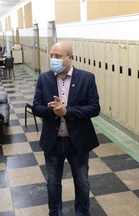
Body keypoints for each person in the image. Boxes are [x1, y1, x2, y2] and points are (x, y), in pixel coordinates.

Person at [32, 41, 100, 216]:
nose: (53, 59)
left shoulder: (87, 78)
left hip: (78, 141)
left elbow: (94, 108)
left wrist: (67, 111)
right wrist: (53, 111)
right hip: (53, 142)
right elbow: (36, 107)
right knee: (53, 183)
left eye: (58, 56)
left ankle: (83, 213)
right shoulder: (44, 78)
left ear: (70, 58)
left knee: (82, 183)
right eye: (52, 55)